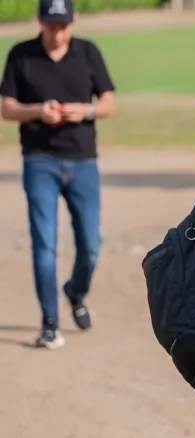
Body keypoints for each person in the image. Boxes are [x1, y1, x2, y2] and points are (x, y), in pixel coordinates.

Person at [0, 0, 116, 350]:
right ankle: (49, 323)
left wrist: (87, 110)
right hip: (40, 161)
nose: (58, 33)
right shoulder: (21, 54)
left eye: (64, 25)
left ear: (73, 21)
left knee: (91, 245)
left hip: (83, 161)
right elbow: (6, 107)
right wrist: (38, 111)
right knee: (45, 245)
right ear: (40, 21)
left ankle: (75, 292)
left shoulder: (88, 52)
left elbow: (109, 102)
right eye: (52, 26)